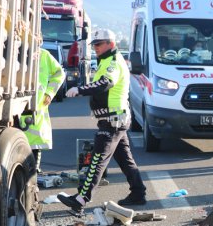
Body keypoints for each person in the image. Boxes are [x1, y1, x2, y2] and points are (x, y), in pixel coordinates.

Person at [58, 28, 147, 215]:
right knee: (125, 159)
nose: (95, 48)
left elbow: (105, 83)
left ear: (110, 44)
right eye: (94, 45)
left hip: (113, 121)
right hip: (114, 119)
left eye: (99, 44)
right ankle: (138, 193)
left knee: (97, 160)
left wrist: (80, 90)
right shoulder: (106, 60)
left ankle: (81, 199)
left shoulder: (113, 62)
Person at [19, 47, 64, 173]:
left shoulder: (44, 55)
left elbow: (59, 73)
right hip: (16, 108)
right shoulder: (12, 49)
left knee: (35, 144)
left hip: (36, 107)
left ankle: (34, 170)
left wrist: (49, 93)